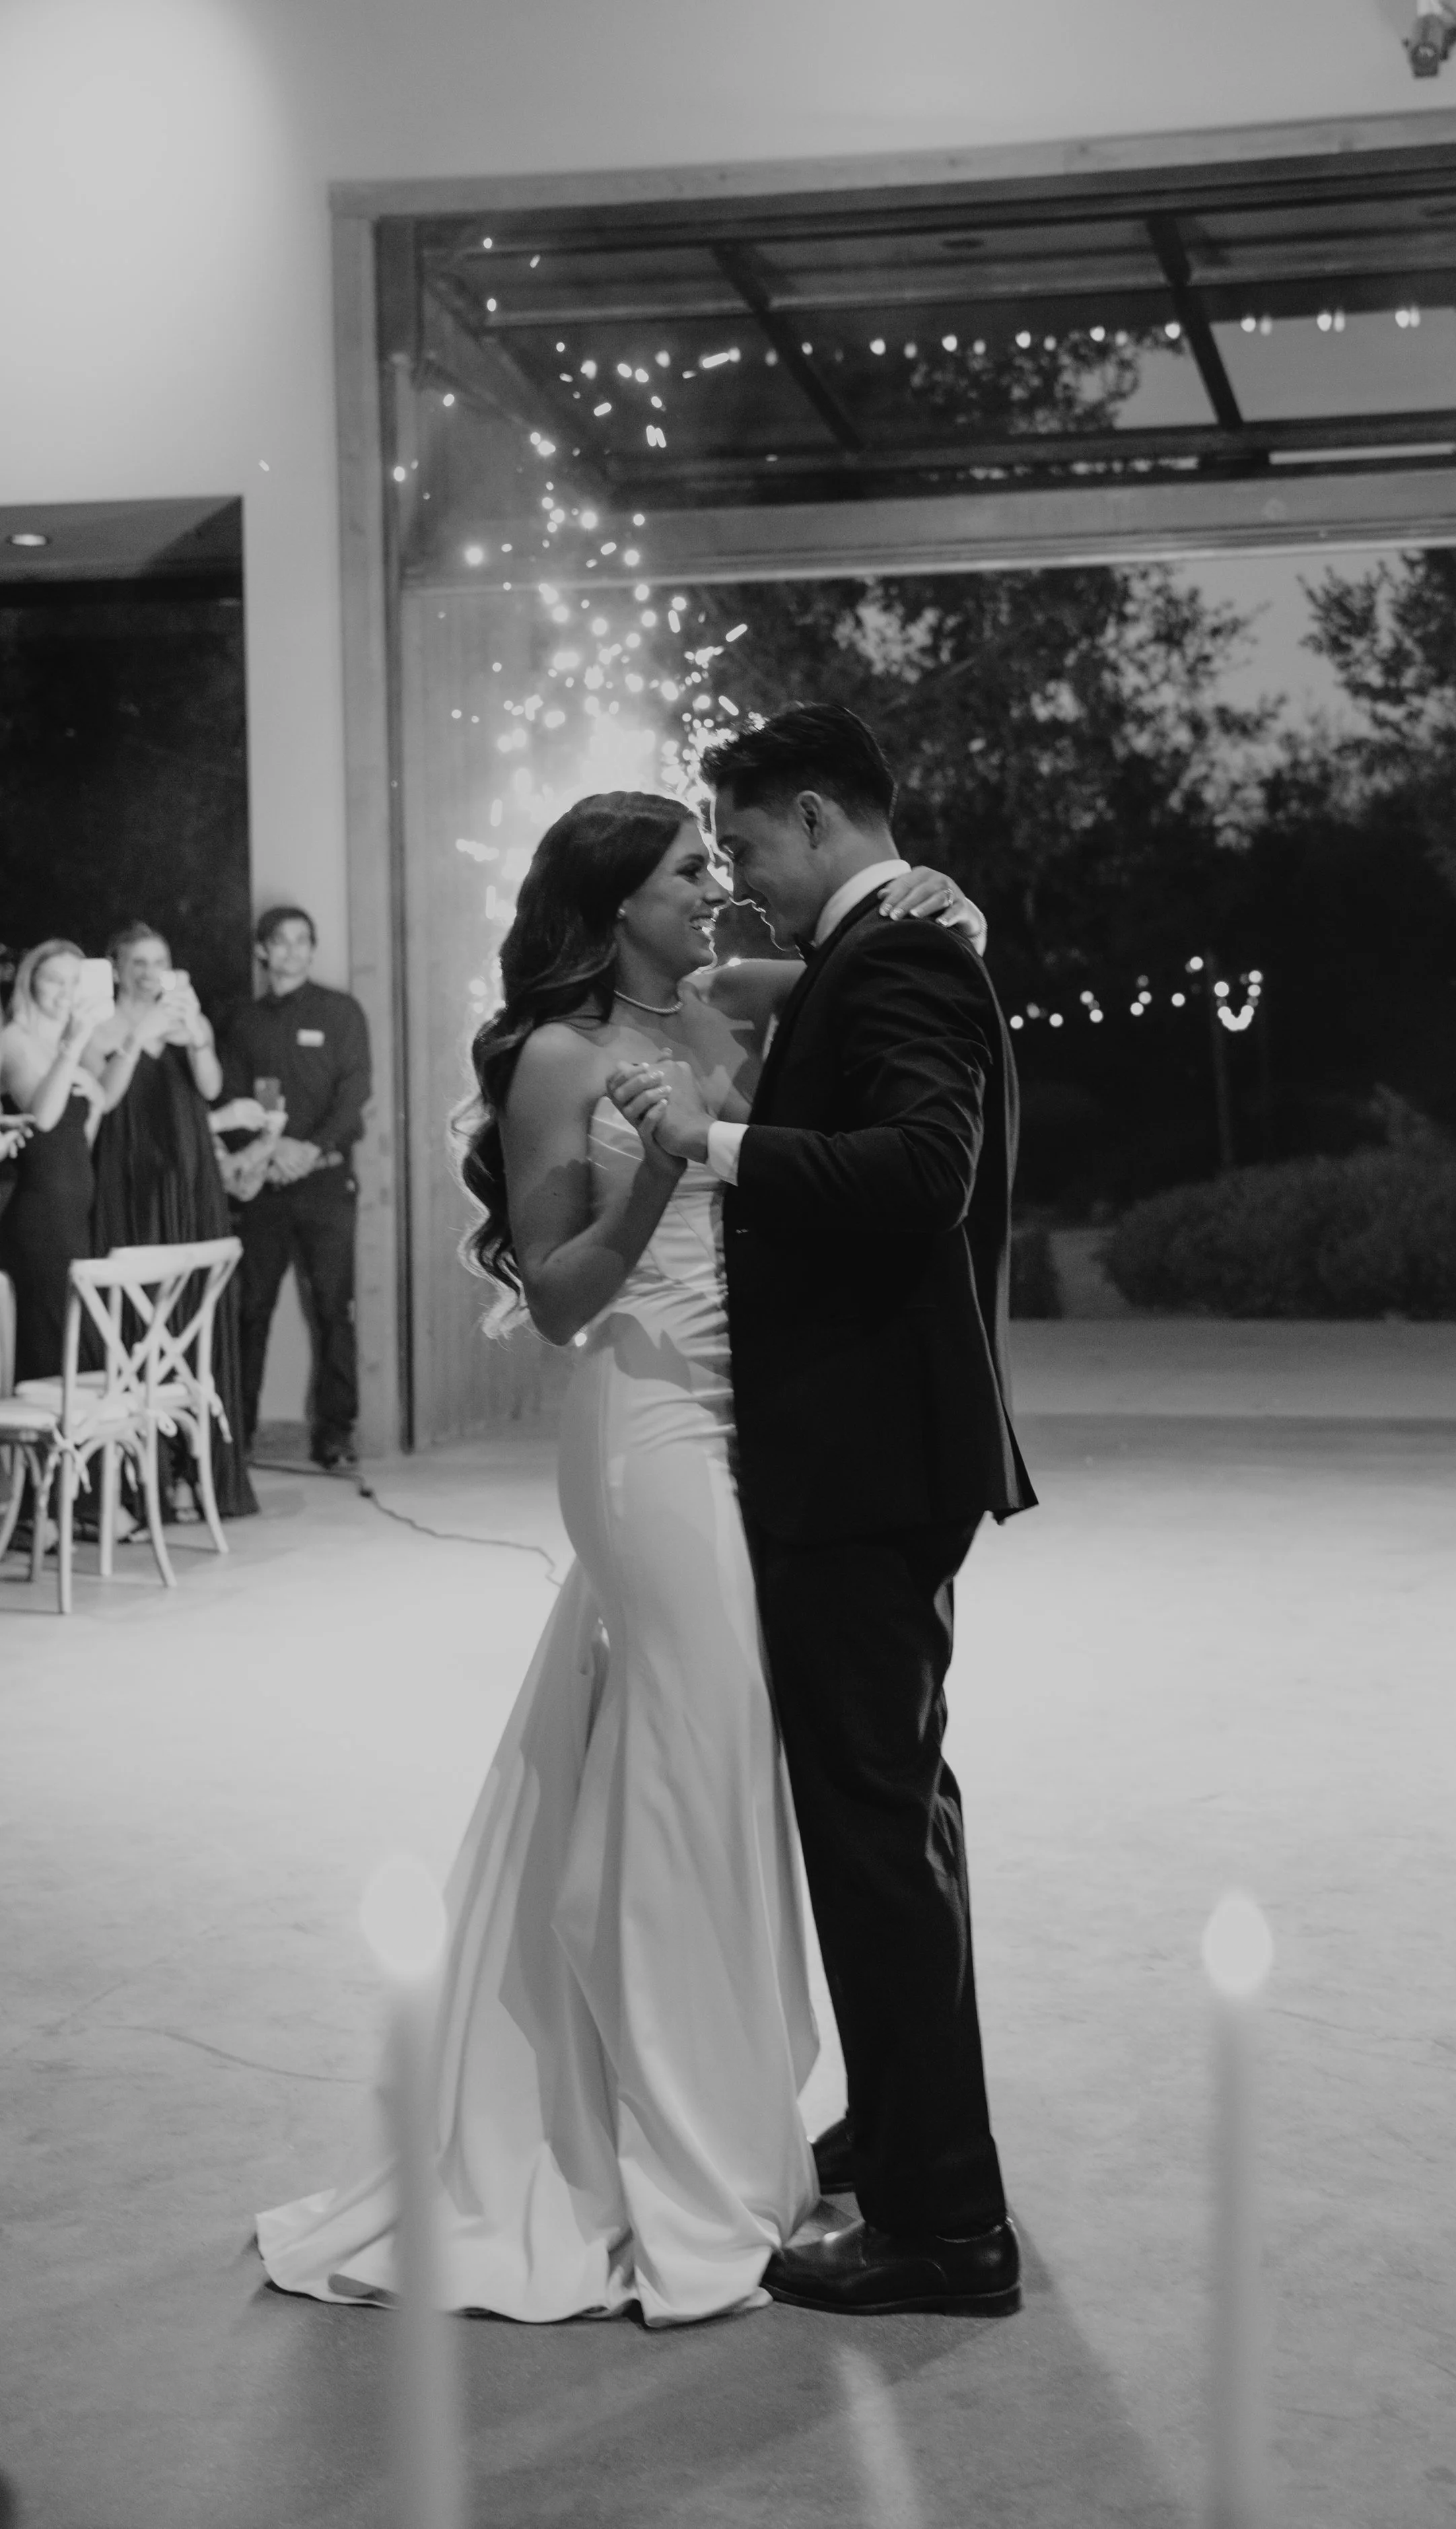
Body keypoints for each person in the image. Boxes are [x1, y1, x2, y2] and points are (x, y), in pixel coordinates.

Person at [255, 792, 985, 2326]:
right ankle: (674, 2148)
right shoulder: (556, 1059)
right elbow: (561, 1296)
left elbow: (875, 969)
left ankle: (708, 2106)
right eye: (685, 870)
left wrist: (947, 905)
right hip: (646, 1429)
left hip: (759, 1423)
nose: (716, 883)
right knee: (692, 1758)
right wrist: (658, 1167)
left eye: (719, 859)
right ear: (613, 907)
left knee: (713, 1766)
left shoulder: (729, 998)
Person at [617, 703, 1036, 2317]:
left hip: (864, 1463)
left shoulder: (903, 951)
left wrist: (712, 1142)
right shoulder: (889, 943)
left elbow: (923, 1166)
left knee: (872, 1834)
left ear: (812, 816)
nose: (737, 882)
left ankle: (947, 2227)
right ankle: (909, 2120)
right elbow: (849, 1047)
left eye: (745, 846)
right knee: (897, 1816)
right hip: (877, 1454)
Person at [85, 923, 259, 1519]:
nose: (149, 972)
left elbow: (210, 1088)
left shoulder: (188, 1021)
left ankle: (198, 1472)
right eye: (138, 961)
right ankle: (142, 1482)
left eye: (158, 960)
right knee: (133, 1326)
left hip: (191, 1186)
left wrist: (197, 1036)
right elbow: (104, 1099)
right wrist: (139, 1035)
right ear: (117, 967)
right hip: (127, 1185)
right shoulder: (100, 1028)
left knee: (194, 1320)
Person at [219, 907, 372, 1469]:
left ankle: (336, 1435)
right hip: (262, 1184)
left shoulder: (341, 1012)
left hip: (326, 1180)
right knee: (250, 1309)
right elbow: (230, 1094)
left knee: (334, 1309)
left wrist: (308, 1149)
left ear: (313, 948)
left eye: (303, 940)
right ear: (263, 950)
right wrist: (273, 1150)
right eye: (280, 941)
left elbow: (355, 1093)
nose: (292, 950)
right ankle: (237, 1434)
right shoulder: (242, 1020)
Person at [0, 941, 104, 1381]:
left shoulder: (62, 1047)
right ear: (31, 983)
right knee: (54, 1347)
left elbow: (76, 1141)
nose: (66, 991)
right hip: (38, 1216)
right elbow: (43, 1119)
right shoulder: (14, 1041)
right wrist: (73, 1049)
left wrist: (96, 1101)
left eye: (75, 981)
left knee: (78, 1342)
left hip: (73, 1215)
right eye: (55, 980)